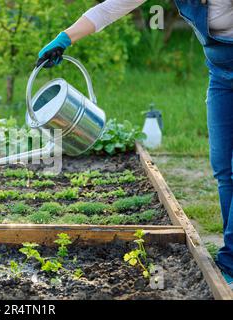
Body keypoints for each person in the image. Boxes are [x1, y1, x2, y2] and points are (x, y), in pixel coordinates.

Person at [37, 0, 233, 288]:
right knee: (222, 167)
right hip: (220, 73)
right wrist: (64, 38)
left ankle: (229, 260)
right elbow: (111, 8)